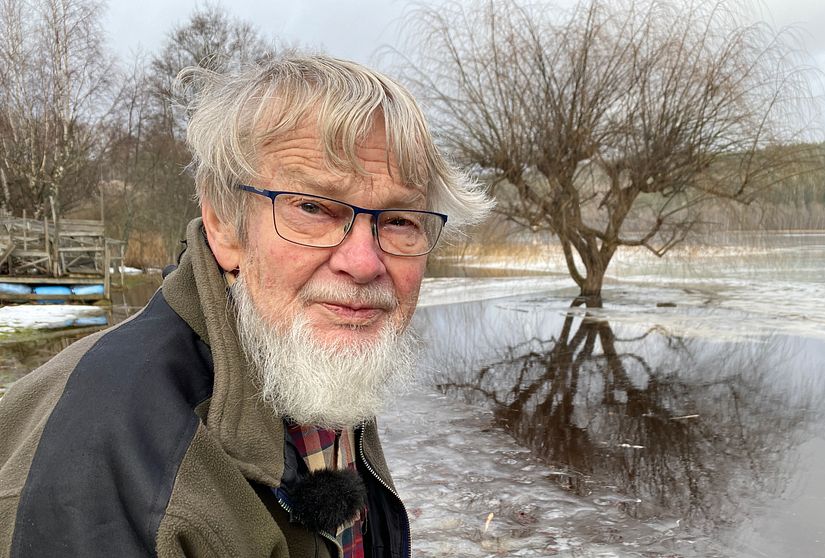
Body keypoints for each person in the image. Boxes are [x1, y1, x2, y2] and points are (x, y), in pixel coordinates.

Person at [0, 54, 491, 557]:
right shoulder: (104, 461)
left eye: (400, 221)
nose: (364, 263)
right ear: (224, 225)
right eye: (312, 207)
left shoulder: (305, 355)